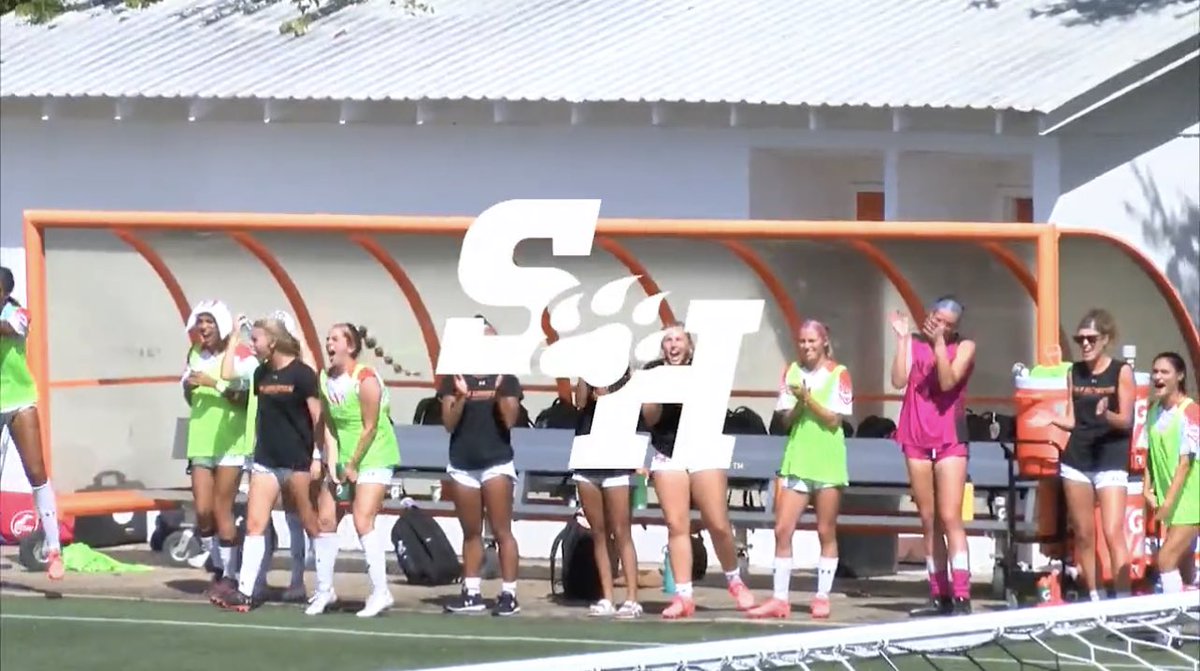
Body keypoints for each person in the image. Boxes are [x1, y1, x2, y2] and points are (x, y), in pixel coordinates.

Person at [213, 317, 334, 612]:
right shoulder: (260, 374)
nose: (252, 345)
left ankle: (324, 587)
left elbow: (318, 418)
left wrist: (319, 457)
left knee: (309, 523)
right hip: (265, 461)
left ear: (273, 341)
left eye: (256, 340)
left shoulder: (303, 374)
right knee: (255, 525)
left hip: (297, 461)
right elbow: (260, 415)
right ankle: (245, 591)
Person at [642, 323, 755, 620]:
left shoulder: (705, 368)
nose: (673, 345)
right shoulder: (654, 371)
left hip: (703, 448)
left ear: (689, 346)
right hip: (668, 450)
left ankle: (735, 581)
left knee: (717, 522)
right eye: (667, 340)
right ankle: (683, 595)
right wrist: (654, 392)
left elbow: (714, 407)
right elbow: (650, 418)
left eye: (678, 339)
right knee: (676, 524)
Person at [1029, 308, 1135, 601]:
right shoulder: (1073, 372)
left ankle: (1124, 599)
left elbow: (1126, 420)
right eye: (1080, 339)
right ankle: (1095, 596)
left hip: (1110, 457)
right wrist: (1049, 419)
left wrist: (1107, 415)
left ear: (1106, 340)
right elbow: (1073, 420)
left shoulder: (1120, 371)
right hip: (1077, 458)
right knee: (1084, 533)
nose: (1085, 344)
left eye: (1091, 338)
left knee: (1113, 531)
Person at [748, 320, 851, 620]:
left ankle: (822, 595)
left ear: (823, 342)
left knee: (825, 529)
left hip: (827, 460)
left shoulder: (839, 374)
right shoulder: (791, 372)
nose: (806, 346)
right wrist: (797, 405)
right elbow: (787, 420)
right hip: (797, 459)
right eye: (802, 341)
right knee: (783, 528)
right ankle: (780, 597)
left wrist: (809, 399)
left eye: (812, 341)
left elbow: (834, 420)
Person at [890, 296, 976, 616]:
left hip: (949, 437)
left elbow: (947, 380)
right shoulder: (914, 343)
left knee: (950, 516)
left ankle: (962, 595)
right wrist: (902, 340)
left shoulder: (964, 347)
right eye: (936, 319)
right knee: (929, 519)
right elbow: (898, 380)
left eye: (947, 324)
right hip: (915, 435)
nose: (939, 325)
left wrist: (939, 343)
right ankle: (938, 593)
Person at [307, 322, 401, 617]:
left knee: (362, 519)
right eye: (327, 339)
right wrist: (331, 464)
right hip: (343, 456)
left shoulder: (366, 378)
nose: (329, 344)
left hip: (374, 455)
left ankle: (380, 591)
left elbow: (370, 427)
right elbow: (330, 427)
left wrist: (353, 464)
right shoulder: (324, 378)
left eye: (335, 339)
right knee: (325, 520)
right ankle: (324, 591)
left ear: (351, 346)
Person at [439, 316, 524, 616]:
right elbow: (449, 423)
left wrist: (501, 393)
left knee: (502, 530)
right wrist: (461, 396)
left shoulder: (507, 376)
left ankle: (509, 594)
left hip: (496, 461)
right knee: (471, 532)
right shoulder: (454, 376)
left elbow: (510, 419)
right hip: (463, 462)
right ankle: (471, 592)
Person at [180, 300, 256, 597]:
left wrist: (213, 383)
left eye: (209, 322)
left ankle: (230, 574)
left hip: (230, 440)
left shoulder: (238, 353)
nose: (203, 327)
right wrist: (189, 388)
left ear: (222, 325)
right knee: (202, 510)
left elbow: (242, 397)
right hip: (200, 438)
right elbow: (192, 397)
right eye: (200, 322)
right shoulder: (194, 353)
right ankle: (216, 561)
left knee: (222, 508)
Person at [0, 266, 63, 580]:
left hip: (19, 400)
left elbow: (8, 329)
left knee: (36, 472)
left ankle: (54, 549)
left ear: (6, 292)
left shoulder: (18, 313)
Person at [571, 367, 642, 619]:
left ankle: (632, 598)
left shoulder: (626, 379)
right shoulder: (589, 377)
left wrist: (609, 391)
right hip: (587, 459)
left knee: (622, 531)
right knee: (598, 532)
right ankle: (607, 597)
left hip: (616, 460)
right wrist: (586, 373)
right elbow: (579, 402)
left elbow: (631, 411)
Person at [1144, 351, 1198, 594]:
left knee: (1165, 560)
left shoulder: (1190, 411)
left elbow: (1185, 463)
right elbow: (1151, 453)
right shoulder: (1153, 411)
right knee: (1184, 566)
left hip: (1190, 499)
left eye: (1164, 372)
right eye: (1155, 371)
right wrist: (1147, 487)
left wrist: (1168, 503)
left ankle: (1170, 626)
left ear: (1179, 376)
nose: (1158, 376)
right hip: (1171, 499)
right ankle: (1189, 626)